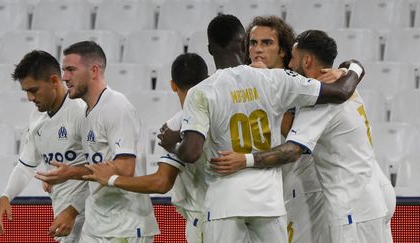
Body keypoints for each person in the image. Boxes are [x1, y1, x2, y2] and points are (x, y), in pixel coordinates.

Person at [159, 15, 365, 243]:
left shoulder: (200, 92)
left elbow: (191, 152)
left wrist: (173, 146)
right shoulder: (275, 79)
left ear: (210, 49)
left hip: (225, 202)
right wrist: (353, 67)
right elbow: (340, 93)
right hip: (269, 202)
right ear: (243, 43)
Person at [211, 30, 392, 243]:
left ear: (306, 61)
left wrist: (244, 160)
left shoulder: (320, 103)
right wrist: (350, 68)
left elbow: (292, 151)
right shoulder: (344, 82)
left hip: (351, 207)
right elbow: (353, 65)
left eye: (294, 59)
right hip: (375, 197)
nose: (289, 65)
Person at [35, 41, 159, 242]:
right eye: (64, 70)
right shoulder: (88, 112)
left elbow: (125, 168)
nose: (65, 77)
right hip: (97, 226)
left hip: (124, 227)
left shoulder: (116, 107)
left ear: (94, 70)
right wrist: (64, 179)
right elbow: (98, 166)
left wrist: (71, 173)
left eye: (71, 70)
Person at [83, 52, 209, 243]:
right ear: (208, 80)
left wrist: (111, 179)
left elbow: (161, 183)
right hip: (243, 208)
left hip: (204, 220)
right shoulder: (224, 111)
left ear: (173, 85)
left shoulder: (176, 126)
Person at [243, 16, 328, 243]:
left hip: (301, 186)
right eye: (253, 43)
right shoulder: (243, 82)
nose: (258, 49)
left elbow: (292, 134)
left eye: (267, 43)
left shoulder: (299, 83)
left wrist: (352, 69)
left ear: (282, 51)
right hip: (264, 189)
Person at [0, 50, 89, 242]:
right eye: (26, 91)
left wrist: (72, 212)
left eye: (33, 90)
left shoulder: (82, 112)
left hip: (94, 223)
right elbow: (26, 166)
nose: (29, 98)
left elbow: (103, 169)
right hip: (64, 226)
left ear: (55, 81)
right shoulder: (37, 117)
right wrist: (6, 196)